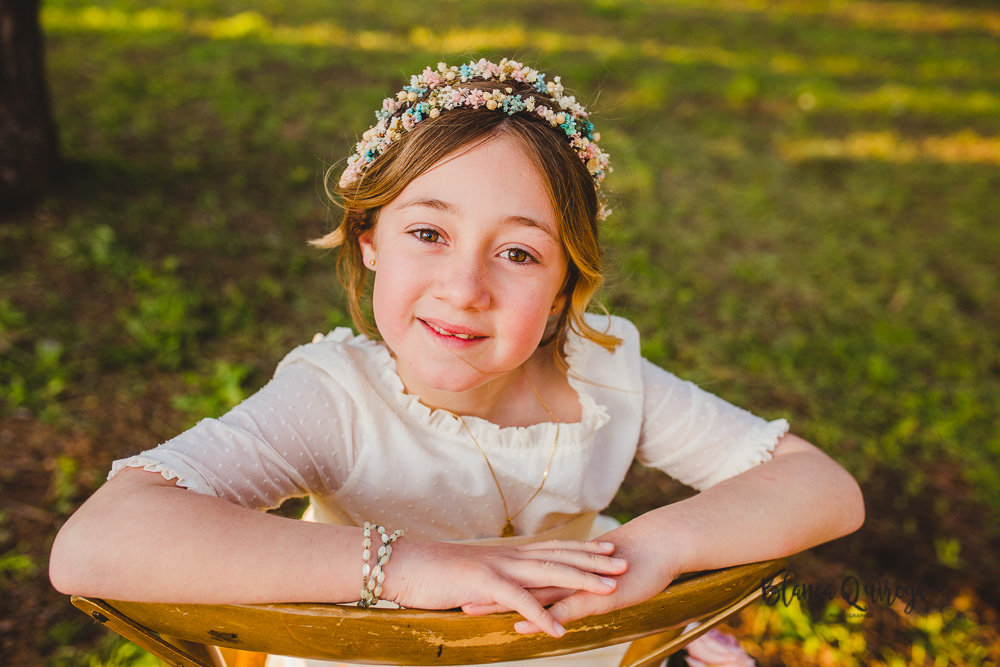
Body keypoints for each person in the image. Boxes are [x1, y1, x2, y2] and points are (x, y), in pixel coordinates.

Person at [49, 58, 864, 665]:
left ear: (561, 291)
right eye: (428, 233)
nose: (465, 287)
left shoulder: (608, 376)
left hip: (563, 644)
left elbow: (823, 487)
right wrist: (405, 565)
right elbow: (95, 542)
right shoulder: (336, 400)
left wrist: (656, 549)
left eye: (517, 252)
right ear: (370, 239)